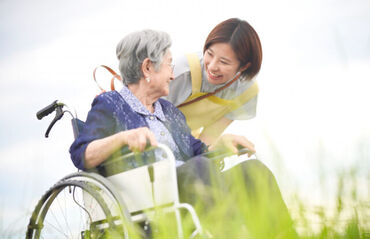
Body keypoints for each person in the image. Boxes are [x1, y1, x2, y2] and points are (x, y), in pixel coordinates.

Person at [70, 29, 297, 238]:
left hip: (187, 186)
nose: (172, 74)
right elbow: (81, 153)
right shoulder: (110, 104)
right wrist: (123, 138)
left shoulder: (169, 111)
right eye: (169, 65)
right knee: (199, 168)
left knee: (252, 171)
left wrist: (221, 143)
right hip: (147, 198)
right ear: (148, 68)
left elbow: (197, 151)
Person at [165, 18, 262, 145]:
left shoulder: (247, 91)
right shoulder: (183, 71)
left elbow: (208, 138)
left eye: (224, 62)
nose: (212, 67)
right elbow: (145, 115)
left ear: (244, 67)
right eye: (210, 54)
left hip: (186, 144)